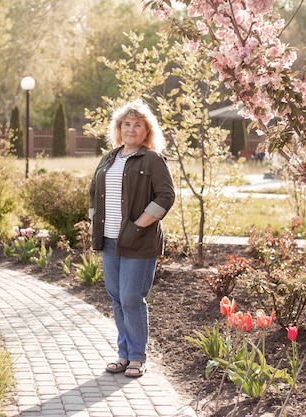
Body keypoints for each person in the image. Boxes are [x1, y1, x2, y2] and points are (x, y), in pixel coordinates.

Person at [89, 100, 175, 378]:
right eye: (126, 123)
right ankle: (123, 355)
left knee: (131, 298)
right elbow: (94, 193)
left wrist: (138, 225)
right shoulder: (109, 158)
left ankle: (138, 357)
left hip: (139, 241)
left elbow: (165, 196)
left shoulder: (152, 159)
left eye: (138, 124)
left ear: (147, 130)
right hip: (110, 240)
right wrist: (96, 221)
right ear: (119, 128)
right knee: (116, 298)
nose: (131, 129)